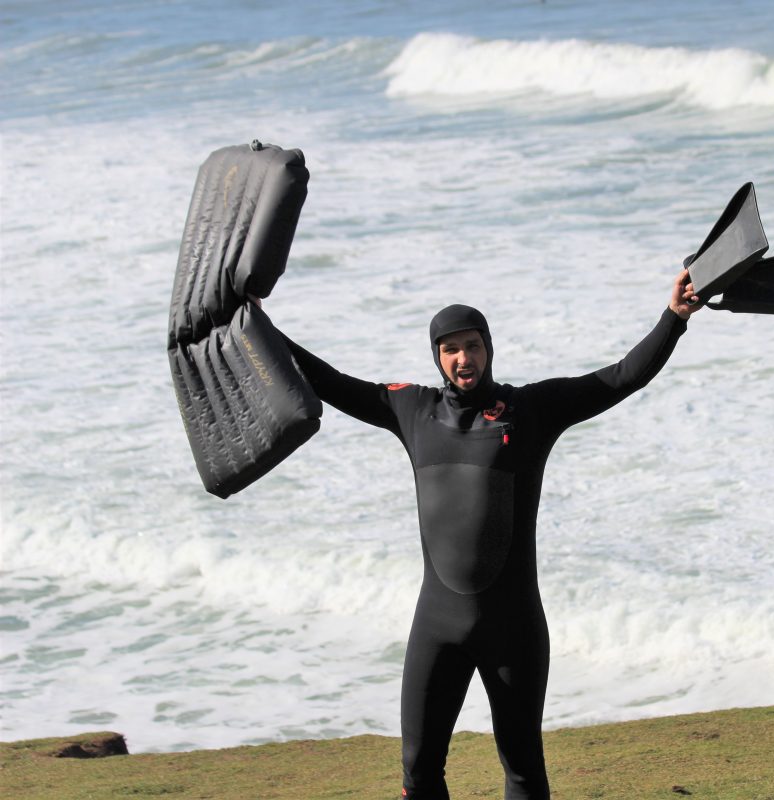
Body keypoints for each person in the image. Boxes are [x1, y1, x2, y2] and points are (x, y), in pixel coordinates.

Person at [275, 269, 702, 799]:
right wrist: (255, 321)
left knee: (522, 769)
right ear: (437, 357)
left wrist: (674, 319)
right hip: (437, 626)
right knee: (418, 770)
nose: (463, 359)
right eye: (450, 349)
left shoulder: (532, 412)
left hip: (514, 627)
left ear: (488, 348)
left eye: (472, 346)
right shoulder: (411, 409)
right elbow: (328, 381)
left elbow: (619, 378)